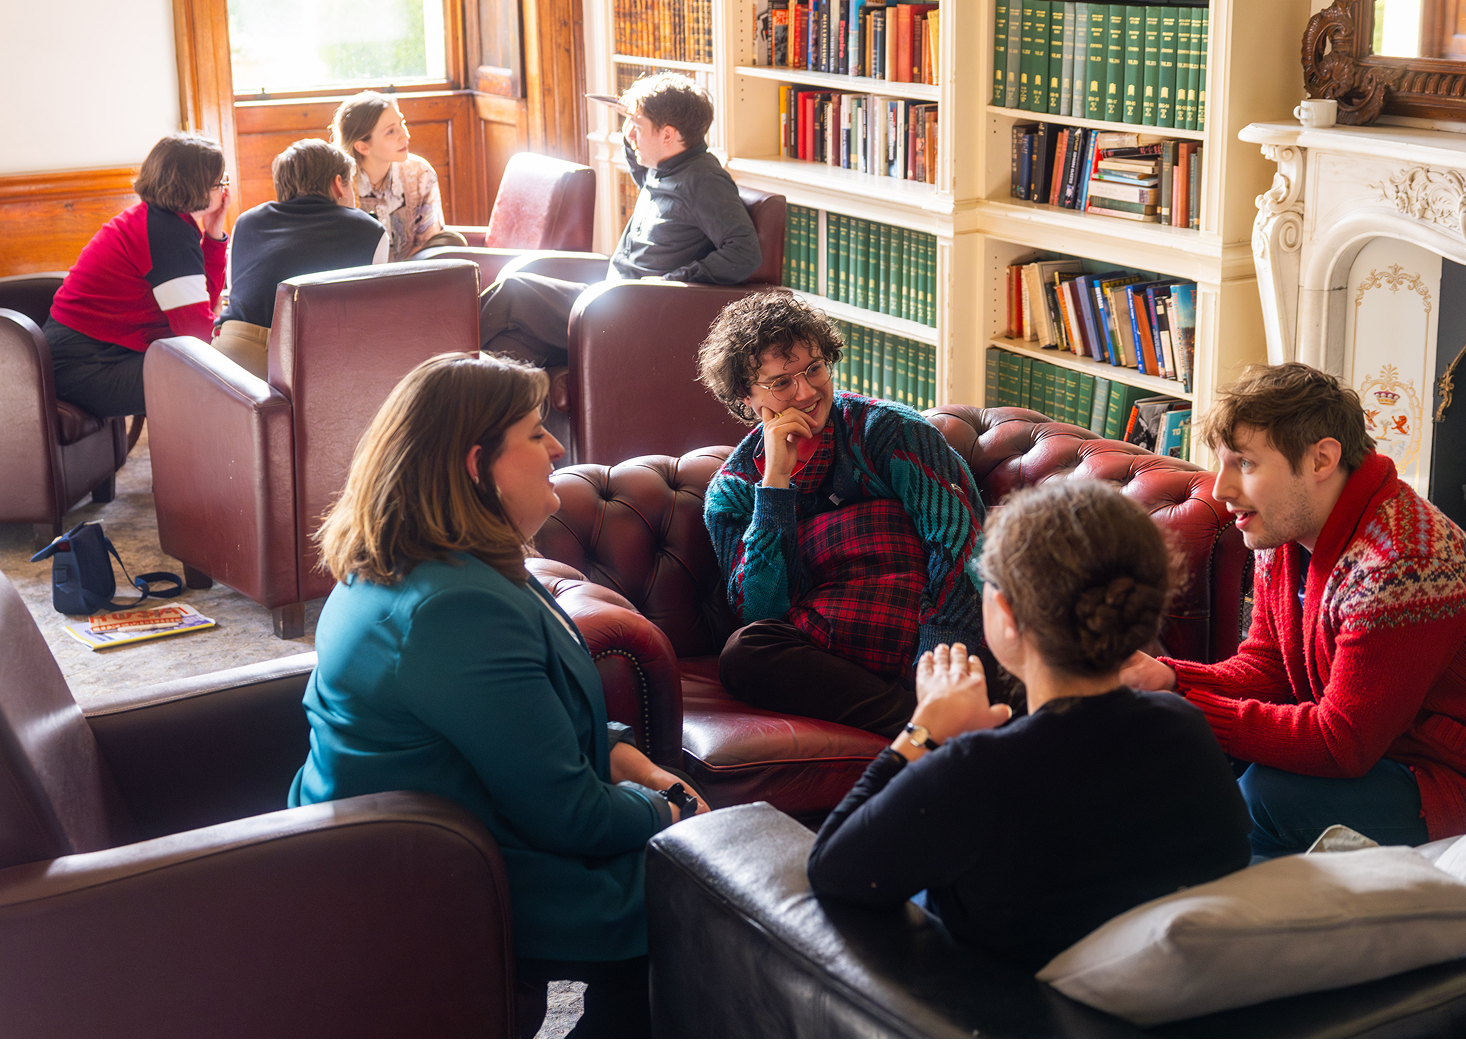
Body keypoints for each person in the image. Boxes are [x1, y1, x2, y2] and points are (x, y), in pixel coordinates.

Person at [289, 352, 706, 1038]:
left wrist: (634, 764)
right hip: (432, 879)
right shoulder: (453, 609)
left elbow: (530, 726)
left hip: (458, 828)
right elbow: (568, 818)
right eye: (537, 432)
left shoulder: (446, 562)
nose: (557, 448)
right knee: (694, 895)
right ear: (476, 465)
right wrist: (671, 809)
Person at [1118, 362, 1466, 857]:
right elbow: (1267, 668)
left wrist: (1186, 704)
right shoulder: (1280, 533)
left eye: (1246, 463)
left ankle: (1228, 920)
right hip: (1398, 750)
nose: (1221, 489)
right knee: (1193, 753)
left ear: (1322, 459)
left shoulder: (1406, 561)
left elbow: (1340, 744)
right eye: (1222, 463)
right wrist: (1167, 682)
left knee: (1269, 795)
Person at [807, 479, 1252, 972]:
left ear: (1006, 614)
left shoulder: (977, 770)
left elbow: (831, 868)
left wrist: (924, 729)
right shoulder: (1187, 730)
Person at [699, 290, 987, 738]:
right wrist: (775, 484)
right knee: (746, 652)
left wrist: (937, 666)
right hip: (827, 648)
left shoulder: (888, 430)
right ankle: (918, 727)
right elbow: (762, 608)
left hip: (920, 635)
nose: (807, 391)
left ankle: (929, 717)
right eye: (781, 382)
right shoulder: (733, 491)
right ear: (746, 397)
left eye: (814, 368)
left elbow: (961, 547)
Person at [478, 72, 761, 367]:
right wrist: (635, 119)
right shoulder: (665, 167)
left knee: (513, 290)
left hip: (633, 308)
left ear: (668, 135)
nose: (630, 133)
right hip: (611, 297)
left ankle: (442, 357)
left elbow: (744, 252)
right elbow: (640, 164)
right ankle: (466, 391)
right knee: (507, 344)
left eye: (637, 126)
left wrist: (671, 281)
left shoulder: (704, 181)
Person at [43, 133, 230, 419]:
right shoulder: (167, 235)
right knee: (216, 379)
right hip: (85, 366)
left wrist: (214, 234)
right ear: (197, 188)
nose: (224, 190)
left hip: (89, 356)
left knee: (215, 367)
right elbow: (196, 334)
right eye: (220, 182)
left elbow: (202, 302)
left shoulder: (157, 221)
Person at [211, 139, 388, 379]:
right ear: (337, 184)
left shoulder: (246, 222)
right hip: (312, 358)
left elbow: (236, 293)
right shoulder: (370, 230)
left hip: (235, 357)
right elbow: (369, 314)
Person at [330, 91, 464, 261]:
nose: (405, 135)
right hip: (357, 281)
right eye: (391, 132)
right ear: (362, 147)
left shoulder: (421, 174)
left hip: (411, 278)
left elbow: (430, 246)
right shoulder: (337, 184)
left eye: (402, 124)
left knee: (455, 242)